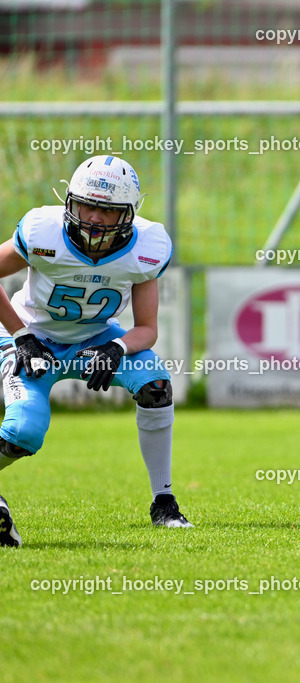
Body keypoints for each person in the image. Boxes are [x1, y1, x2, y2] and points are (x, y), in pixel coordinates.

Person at [0, 155, 191, 548]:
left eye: (106, 209)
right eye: (87, 204)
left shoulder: (148, 246)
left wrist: (118, 346)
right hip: (30, 337)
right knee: (23, 432)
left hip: (95, 338)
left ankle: (165, 502)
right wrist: (20, 335)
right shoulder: (43, 230)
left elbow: (147, 330)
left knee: (156, 385)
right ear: (69, 201)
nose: (94, 218)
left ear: (129, 214)